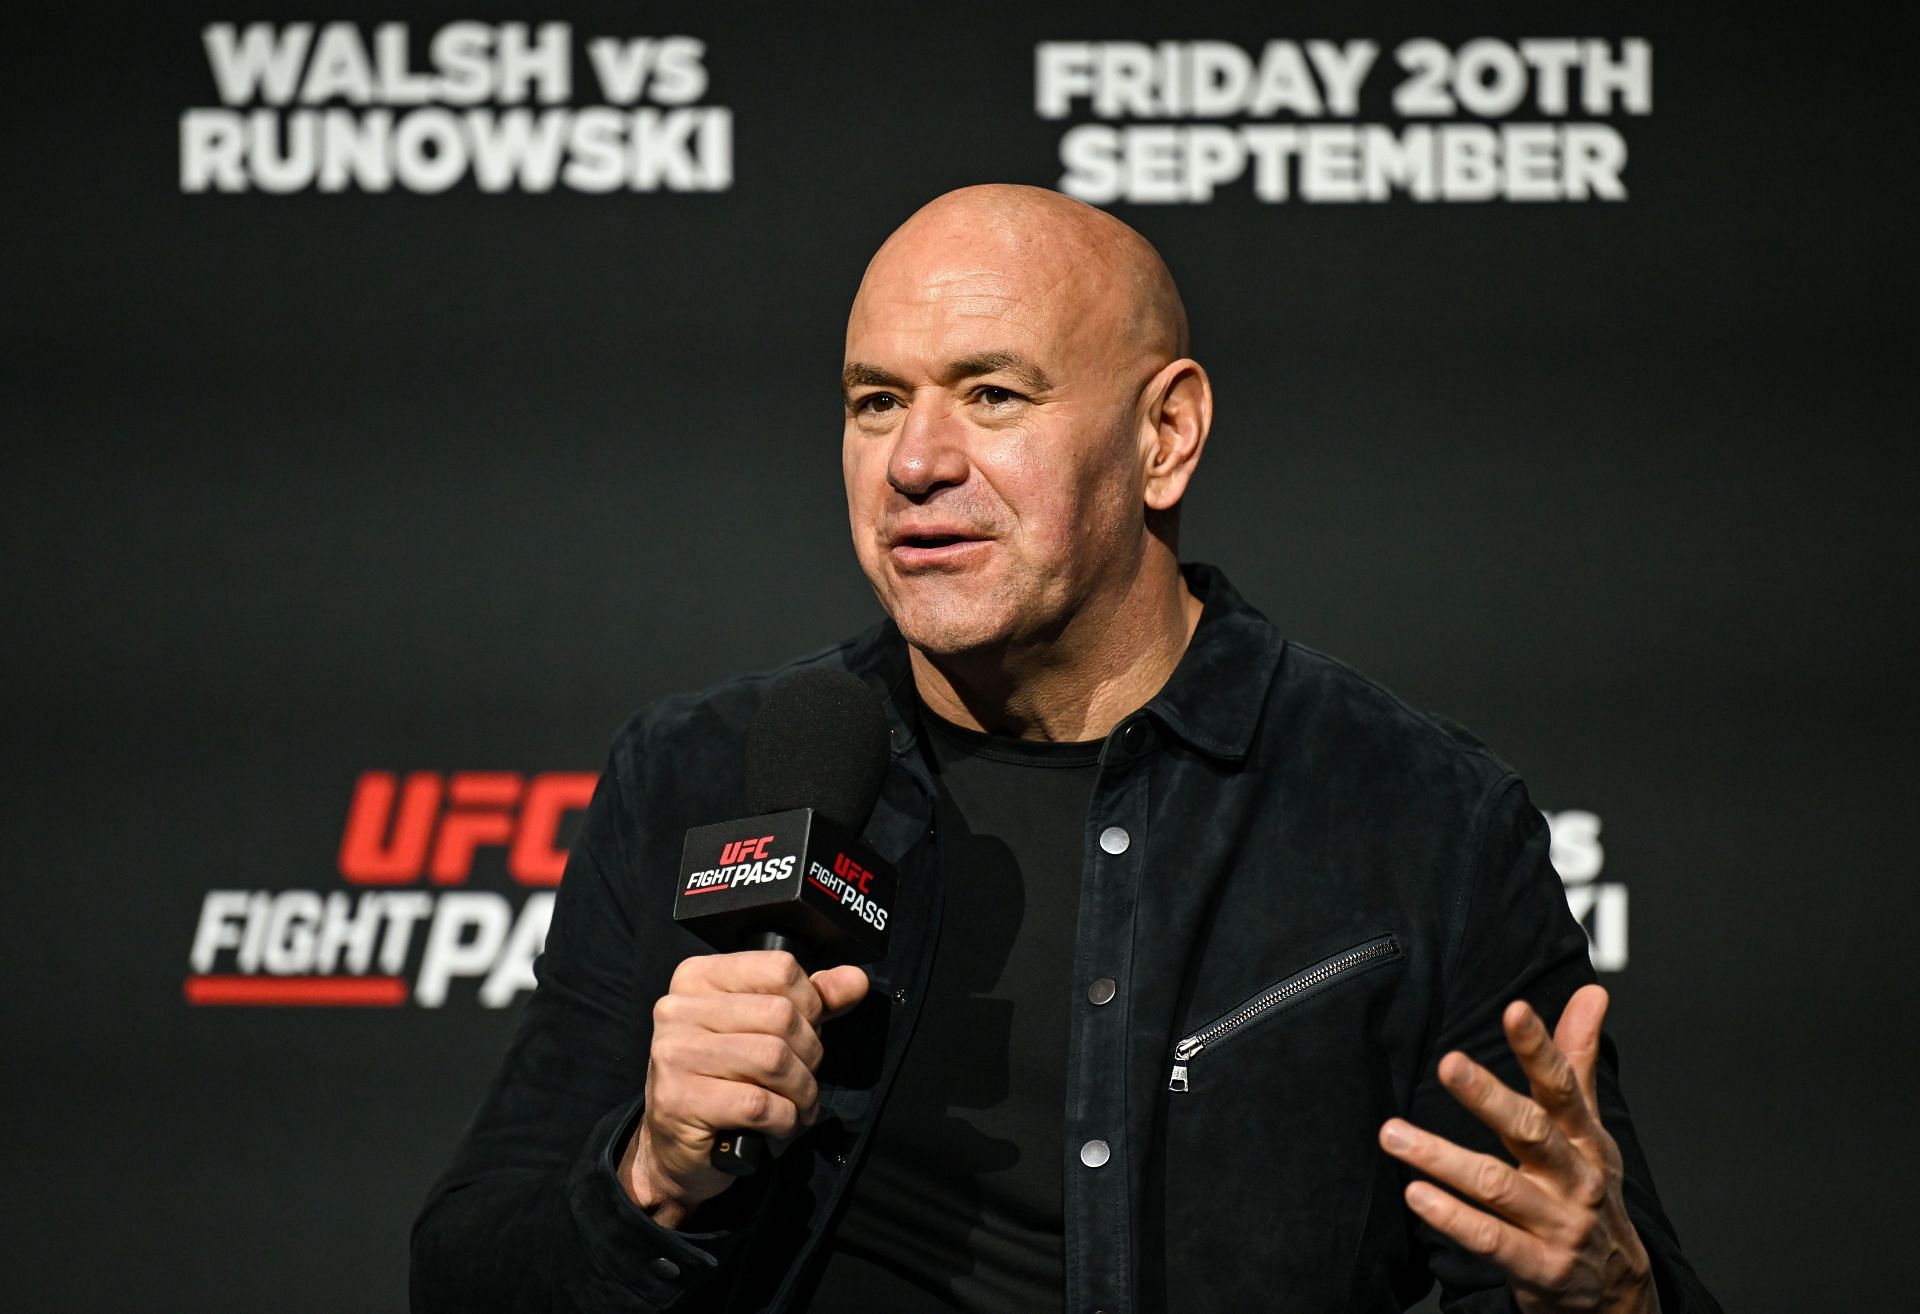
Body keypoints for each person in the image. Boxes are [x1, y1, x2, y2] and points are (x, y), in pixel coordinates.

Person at [411, 184, 1720, 1313]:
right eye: (876, 402)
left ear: (1166, 436)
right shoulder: (701, 769)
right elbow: (471, 1273)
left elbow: (1576, 1262)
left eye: (991, 393)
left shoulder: (1418, 818)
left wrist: (1604, 1290)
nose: (916, 461)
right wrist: (654, 1171)